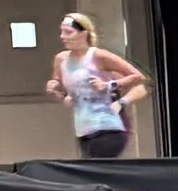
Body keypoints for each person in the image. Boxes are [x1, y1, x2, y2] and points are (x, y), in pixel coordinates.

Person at [49, 11, 149, 160]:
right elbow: (61, 88)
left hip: (106, 125)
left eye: (68, 32)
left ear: (84, 33)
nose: (63, 37)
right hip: (83, 128)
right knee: (91, 168)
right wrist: (56, 90)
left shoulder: (99, 58)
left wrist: (117, 96)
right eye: (61, 32)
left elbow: (139, 82)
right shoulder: (62, 59)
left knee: (98, 165)